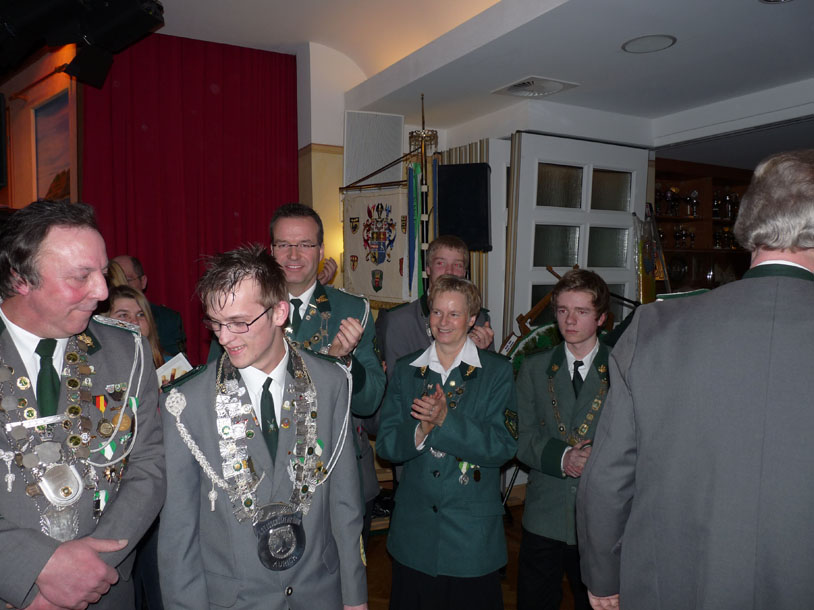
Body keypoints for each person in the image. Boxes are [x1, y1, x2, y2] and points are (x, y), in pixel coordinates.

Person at [576, 149, 814, 610]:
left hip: (675, 582)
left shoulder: (657, 328)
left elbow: (607, 477)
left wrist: (603, 575)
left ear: (748, 222)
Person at [157, 244, 368, 610]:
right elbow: (178, 535)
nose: (224, 338)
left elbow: (345, 504)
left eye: (239, 322)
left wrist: (354, 596)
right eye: (215, 323)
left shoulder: (331, 382)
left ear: (279, 312)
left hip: (319, 595)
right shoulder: (185, 404)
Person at [0, 199, 164, 609]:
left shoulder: (128, 352)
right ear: (21, 278)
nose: (102, 291)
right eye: (81, 276)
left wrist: (89, 571)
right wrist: (30, 570)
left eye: (102, 273)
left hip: (102, 590)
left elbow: (148, 467)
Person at [376, 274, 517, 610]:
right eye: (437, 312)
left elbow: (504, 446)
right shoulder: (407, 369)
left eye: (454, 314)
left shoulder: (497, 372)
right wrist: (420, 431)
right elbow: (386, 445)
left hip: (471, 539)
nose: (443, 322)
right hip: (415, 534)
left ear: (472, 319)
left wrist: (445, 421)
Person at [269, 202, 386, 541]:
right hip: (266, 473)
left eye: (305, 244)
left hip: (335, 471)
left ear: (321, 251)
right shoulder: (248, 306)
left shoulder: (351, 309)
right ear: (271, 250)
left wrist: (346, 363)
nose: (293, 254)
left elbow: (370, 401)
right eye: (284, 244)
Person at [515, 269, 611, 610]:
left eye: (581, 311)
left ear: (601, 318)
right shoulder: (534, 368)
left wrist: (598, 457)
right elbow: (520, 435)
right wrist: (562, 457)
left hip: (602, 516)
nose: (569, 320)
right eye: (562, 310)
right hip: (546, 513)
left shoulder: (623, 367)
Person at [376, 234, 494, 382]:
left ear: (464, 272)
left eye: (457, 265)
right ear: (428, 269)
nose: (449, 271)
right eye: (440, 263)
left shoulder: (479, 319)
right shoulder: (399, 321)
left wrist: (480, 355)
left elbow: (491, 382)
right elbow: (399, 385)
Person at [112, 255, 186, 356]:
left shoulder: (166, 320)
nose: (120, 285)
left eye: (127, 279)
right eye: (123, 315)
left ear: (143, 281)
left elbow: (175, 362)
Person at [107, 284, 165, 368]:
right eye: (123, 315)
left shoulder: (169, 366)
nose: (135, 321)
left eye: (141, 314)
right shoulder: (93, 368)